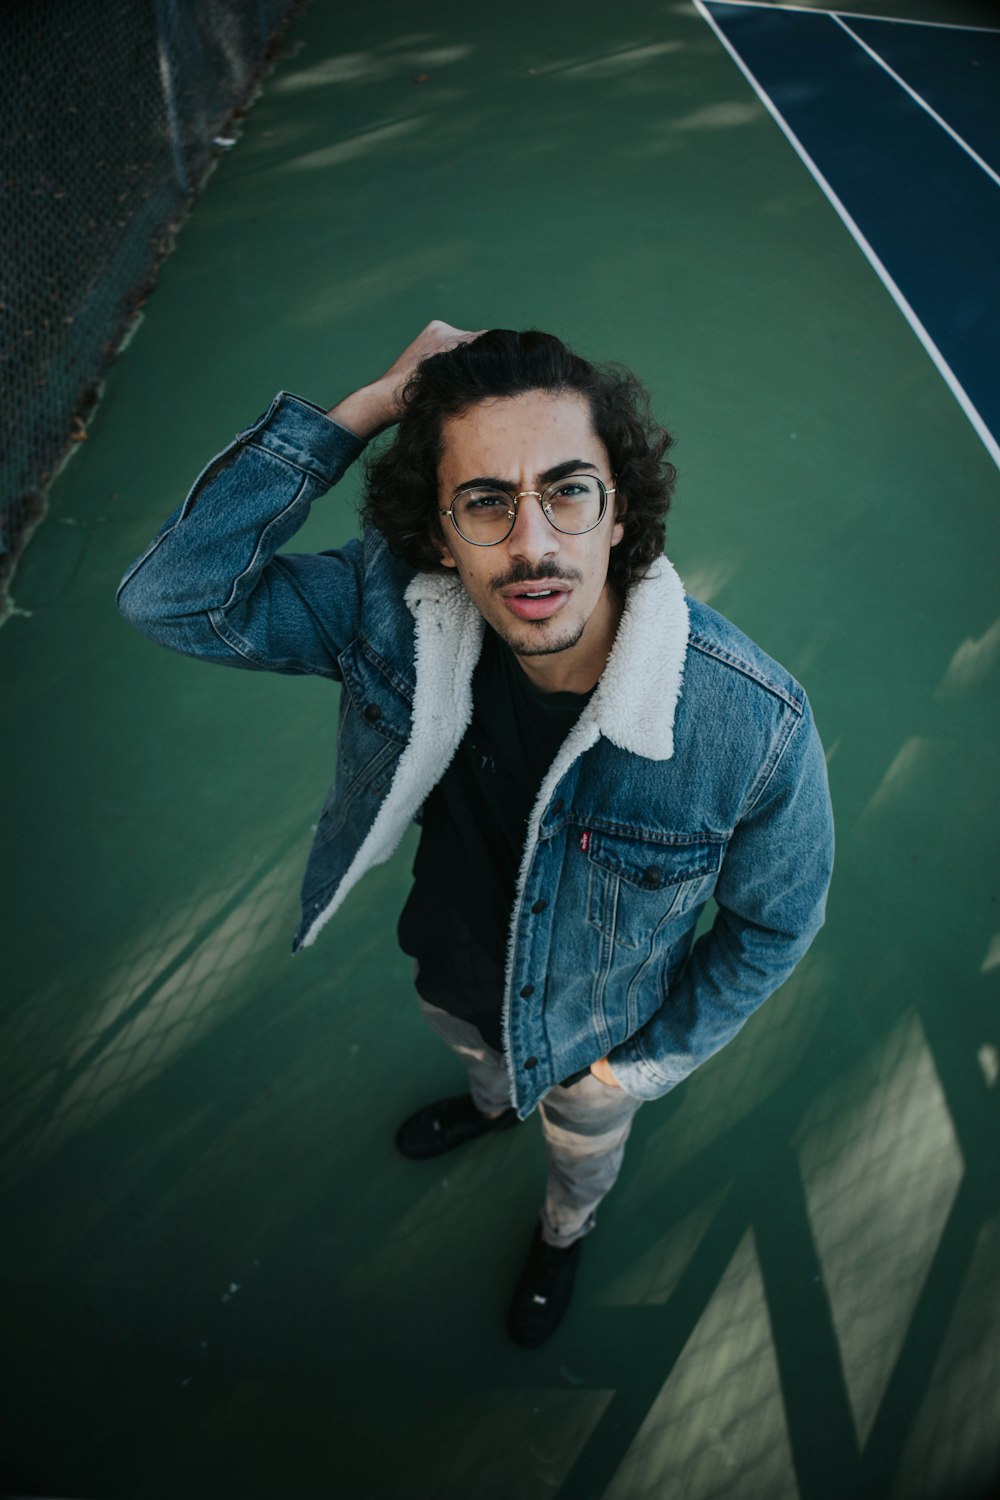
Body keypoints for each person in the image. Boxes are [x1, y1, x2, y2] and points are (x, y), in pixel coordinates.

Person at [117, 321, 834, 1347]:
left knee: (580, 1152)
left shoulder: (753, 723)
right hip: (450, 973)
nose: (533, 542)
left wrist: (637, 1069)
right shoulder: (394, 612)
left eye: (569, 490)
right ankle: (493, 1104)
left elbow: (774, 926)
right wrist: (363, 408)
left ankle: (563, 1230)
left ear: (619, 512)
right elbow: (171, 598)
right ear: (439, 535)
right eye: (486, 503)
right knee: (484, 1067)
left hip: (600, 1038)